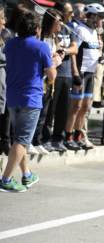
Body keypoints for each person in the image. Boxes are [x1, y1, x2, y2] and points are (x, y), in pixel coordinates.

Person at [0, 10, 59, 192]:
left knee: (19, 138)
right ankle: (6, 179)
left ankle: (27, 175)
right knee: (22, 140)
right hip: (31, 98)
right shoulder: (41, 47)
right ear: (37, 29)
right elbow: (51, 77)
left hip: (13, 97)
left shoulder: (9, 44)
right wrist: (55, 62)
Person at [64, 3, 104, 150]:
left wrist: (100, 56)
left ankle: (78, 136)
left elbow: (94, 53)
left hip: (91, 73)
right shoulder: (80, 30)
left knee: (86, 107)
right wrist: (75, 73)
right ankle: (67, 136)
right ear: (93, 16)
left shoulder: (95, 32)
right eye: (101, 17)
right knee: (76, 107)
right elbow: (74, 52)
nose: (103, 20)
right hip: (80, 72)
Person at [44, 2, 78, 153]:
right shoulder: (53, 27)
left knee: (64, 109)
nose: (72, 15)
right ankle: (44, 139)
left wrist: (63, 50)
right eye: (69, 12)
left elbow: (75, 48)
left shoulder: (68, 28)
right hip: (54, 73)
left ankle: (58, 138)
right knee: (49, 108)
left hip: (67, 74)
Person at [32, 9, 64, 156]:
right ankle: (31, 141)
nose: (61, 24)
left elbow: (56, 54)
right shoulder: (40, 37)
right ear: (51, 21)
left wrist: (58, 56)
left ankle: (37, 140)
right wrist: (52, 60)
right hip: (40, 79)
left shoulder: (54, 38)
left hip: (50, 80)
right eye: (59, 21)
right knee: (36, 112)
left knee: (44, 113)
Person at [0, 5, 13, 156]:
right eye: (2, 17)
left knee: (5, 111)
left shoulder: (6, 35)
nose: (4, 21)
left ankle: (4, 139)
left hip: (5, 77)